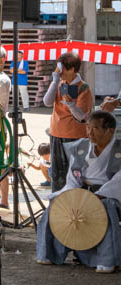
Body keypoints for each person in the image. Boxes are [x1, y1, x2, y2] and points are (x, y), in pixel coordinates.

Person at [37, 110, 121, 273]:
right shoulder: (81, 147)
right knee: (57, 204)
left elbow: (118, 180)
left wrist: (96, 196)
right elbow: (74, 176)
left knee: (105, 208)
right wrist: (74, 195)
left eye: (95, 128)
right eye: (88, 127)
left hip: (108, 194)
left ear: (110, 130)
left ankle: (106, 260)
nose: (89, 132)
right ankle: (48, 253)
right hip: (82, 191)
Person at [43, 53, 93, 192]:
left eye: (62, 68)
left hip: (76, 137)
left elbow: (81, 117)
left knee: (76, 176)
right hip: (56, 134)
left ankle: (77, 207)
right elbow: (47, 102)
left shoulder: (83, 88)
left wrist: (71, 105)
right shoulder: (59, 83)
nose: (59, 71)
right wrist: (54, 81)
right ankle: (59, 206)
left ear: (72, 69)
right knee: (58, 175)